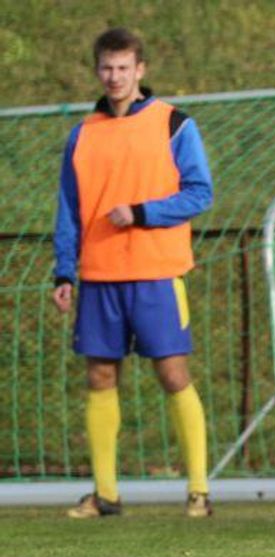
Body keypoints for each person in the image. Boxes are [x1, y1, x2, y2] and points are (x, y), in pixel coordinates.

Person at [51, 27, 215, 519]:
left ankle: (199, 492)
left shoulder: (174, 125)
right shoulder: (82, 134)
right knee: (99, 377)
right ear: (97, 70)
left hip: (157, 274)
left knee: (172, 373)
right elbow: (67, 209)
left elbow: (199, 193)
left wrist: (142, 212)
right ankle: (106, 494)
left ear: (140, 70)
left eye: (124, 67)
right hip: (99, 276)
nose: (115, 76)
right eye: (107, 68)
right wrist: (64, 272)